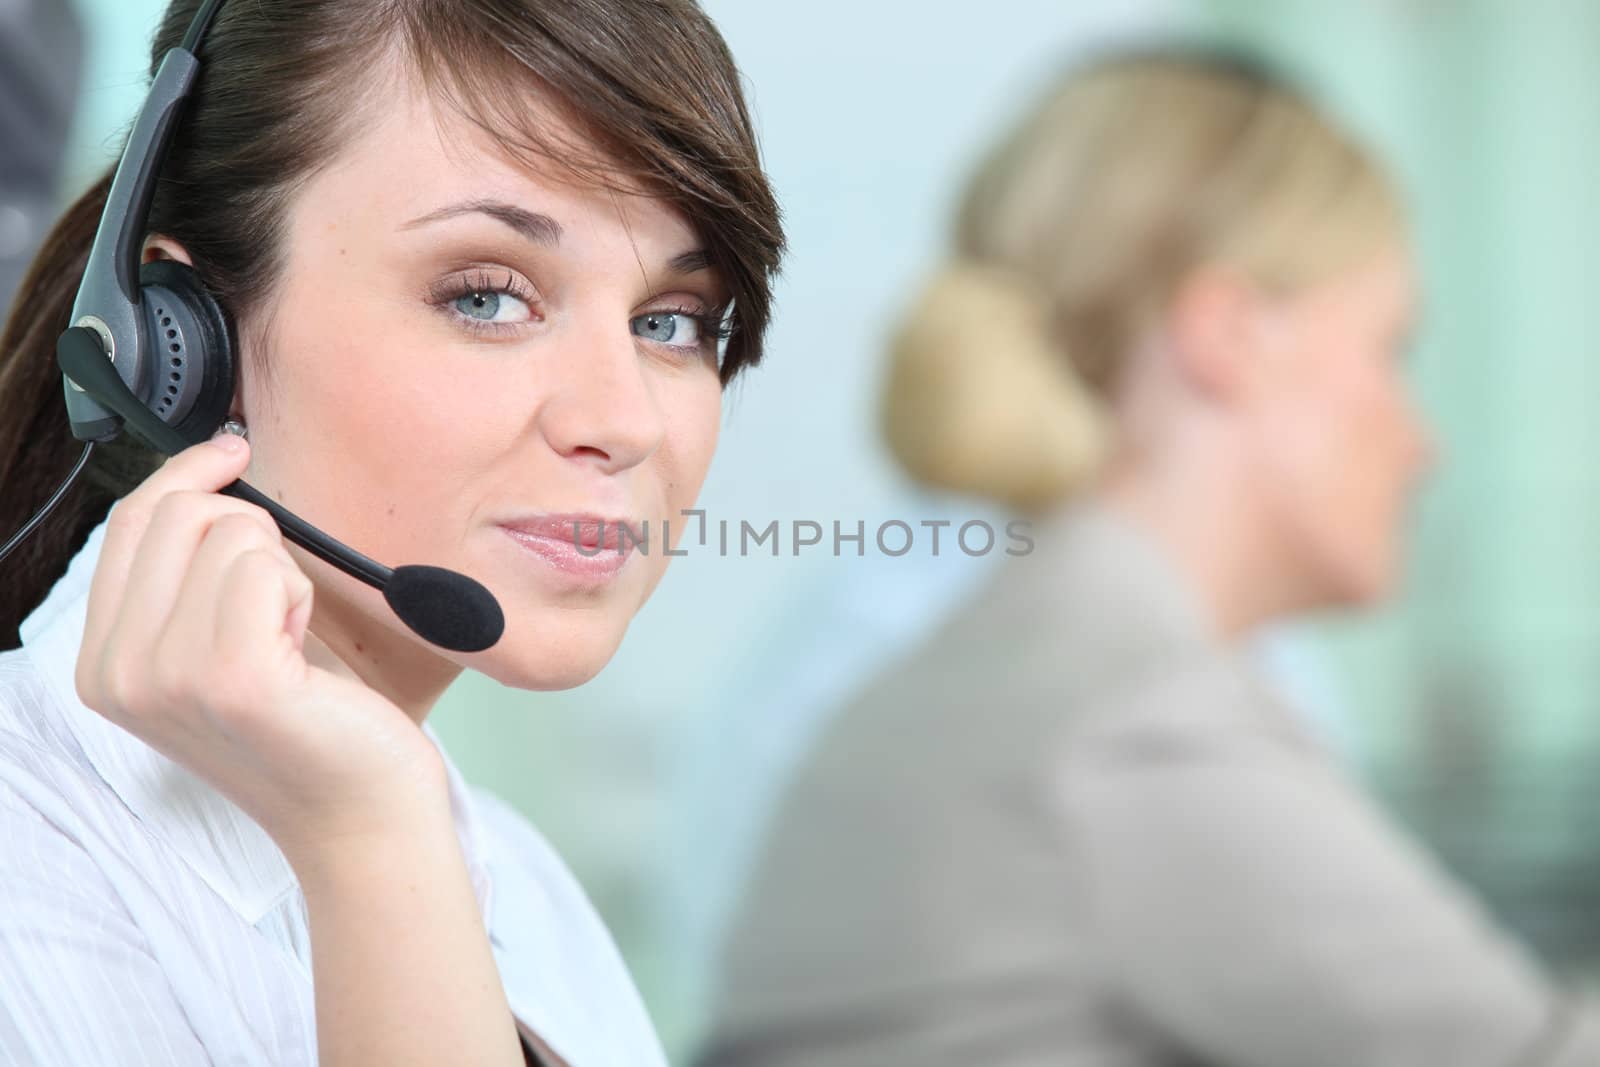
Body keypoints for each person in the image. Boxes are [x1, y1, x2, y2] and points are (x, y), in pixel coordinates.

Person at [691, 47, 1600, 1067]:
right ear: (1228, 337)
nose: (1420, 438)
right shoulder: (1133, 719)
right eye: (1388, 351)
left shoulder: (1036, 654)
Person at [0, 1, 783, 1064]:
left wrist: (380, 836)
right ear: (178, 343)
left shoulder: (514, 880)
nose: (624, 420)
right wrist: (373, 849)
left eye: (670, 321)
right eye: (488, 298)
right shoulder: (31, 874)